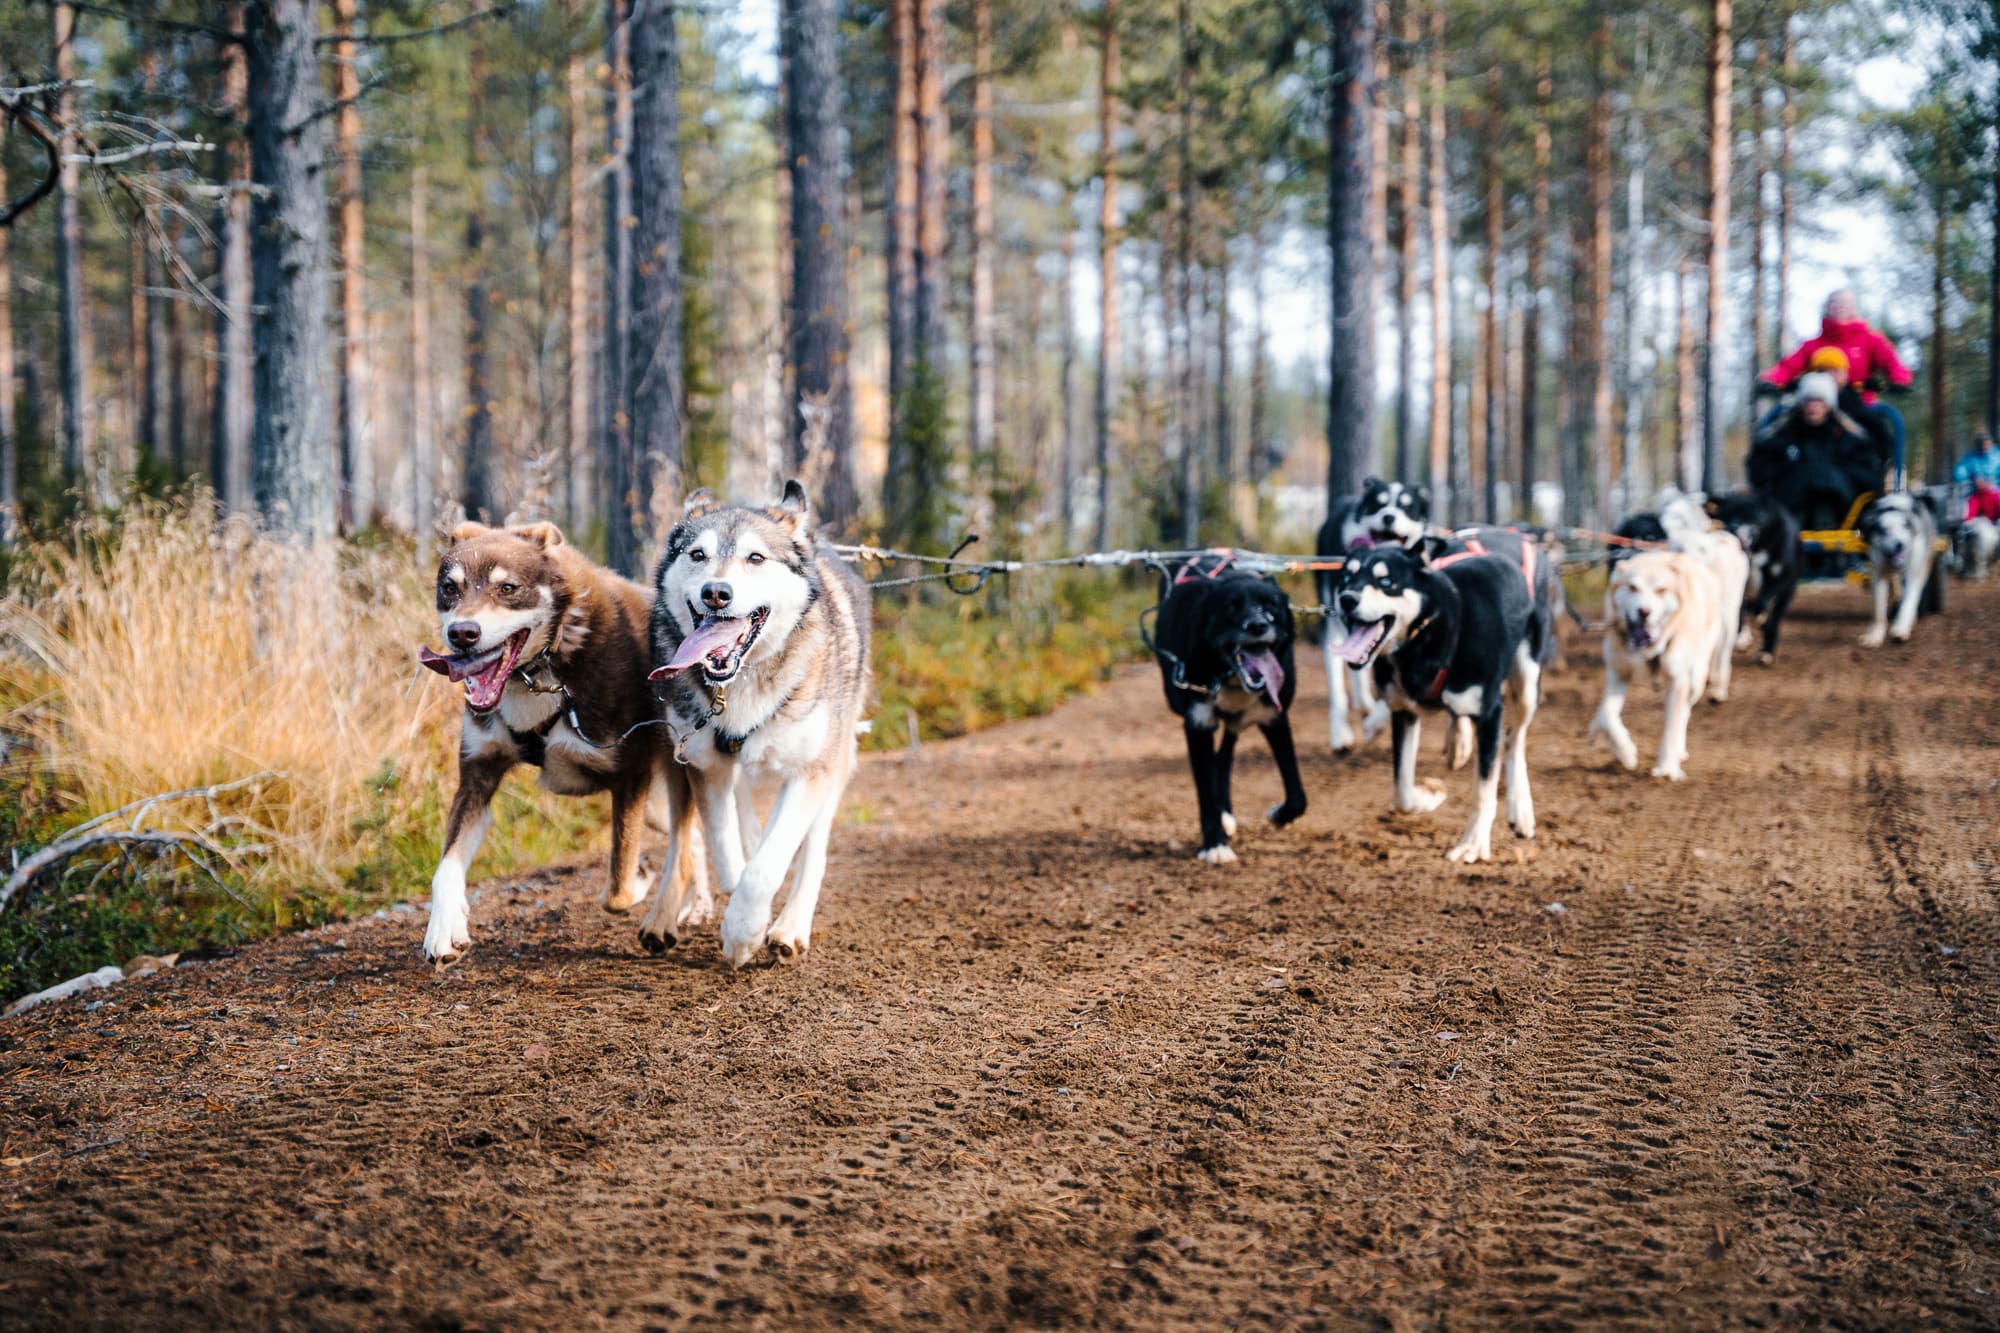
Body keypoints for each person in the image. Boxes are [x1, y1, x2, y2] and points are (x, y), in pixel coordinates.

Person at [1764, 290, 1914, 486]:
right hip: (1816, 404)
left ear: (1854, 308)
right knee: (1776, 418)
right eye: (1834, 303)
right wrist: (1770, 380)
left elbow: (1892, 364)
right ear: (1827, 308)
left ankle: (1891, 478)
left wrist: (1899, 380)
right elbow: (1788, 367)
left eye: (1845, 303)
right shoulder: (1813, 345)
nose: (1840, 307)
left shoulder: (1871, 341)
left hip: (1858, 404)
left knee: (1890, 419)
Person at [1747, 371, 1887, 529]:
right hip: (1790, 513)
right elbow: (1760, 468)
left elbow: (1867, 473)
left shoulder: (1849, 437)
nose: (1813, 406)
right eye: (1808, 400)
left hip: (1841, 516)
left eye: (1819, 400)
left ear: (1828, 404)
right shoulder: (1782, 435)